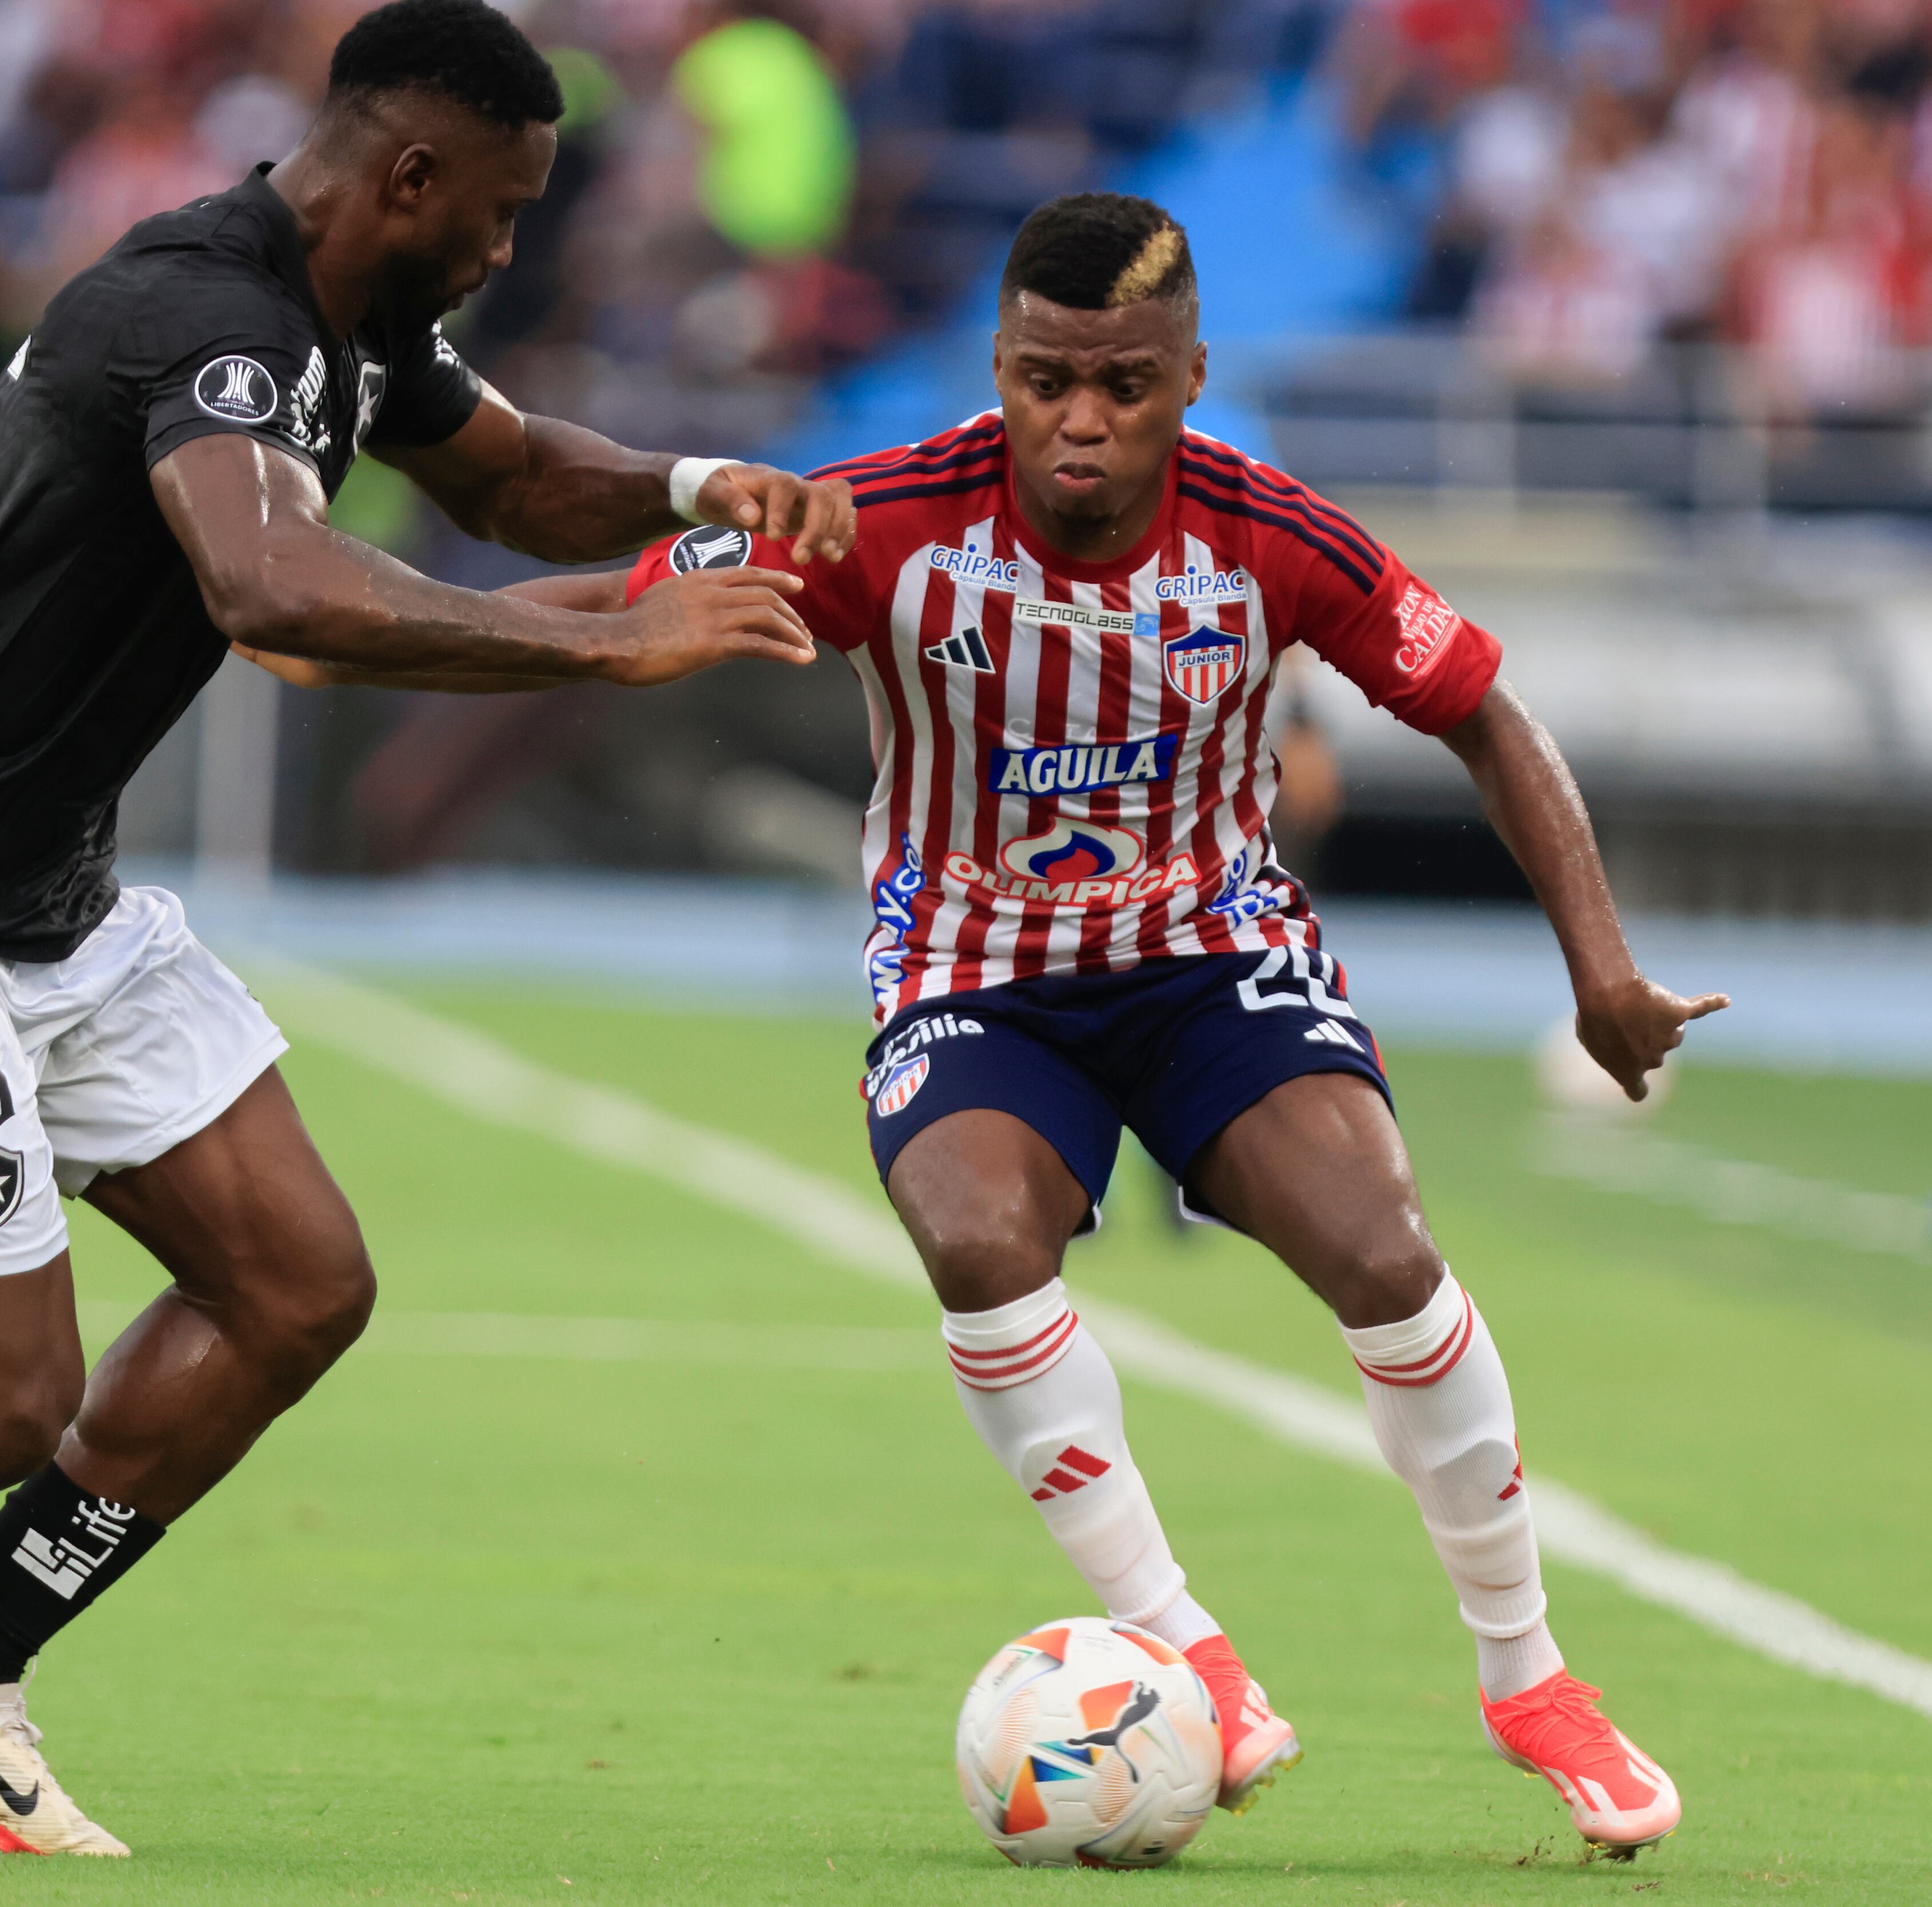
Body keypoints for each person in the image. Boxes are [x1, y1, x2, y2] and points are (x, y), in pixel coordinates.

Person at [0, 0, 852, 1850]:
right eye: (504, 210)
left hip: (46, 902)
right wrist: (603, 638)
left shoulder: (347, 319)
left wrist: (686, 498)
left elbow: (508, 477)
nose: (514, 247)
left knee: (295, 1286)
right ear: (410, 171)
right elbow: (271, 583)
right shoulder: (203, 312)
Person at [486, 193, 1717, 1860]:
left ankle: (1529, 1678)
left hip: (1214, 957)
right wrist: (380, 633)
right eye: (1048, 378)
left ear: (1192, 375)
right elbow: (620, 593)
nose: (1083, 419)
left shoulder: (1276, 534)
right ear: (997, 364)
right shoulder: (885, 523)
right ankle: (1195, 1651)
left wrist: (1602, 968)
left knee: (1387, 1254)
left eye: (1126, 383)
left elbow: (1484, 711)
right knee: (978, 1237)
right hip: (973, 973)